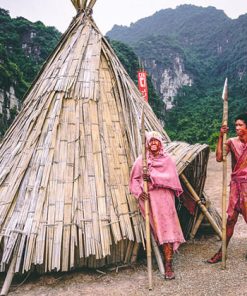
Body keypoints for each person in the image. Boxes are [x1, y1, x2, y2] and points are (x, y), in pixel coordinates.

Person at [129, 131, 185, 279]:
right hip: (150, 201)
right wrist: (139, 191)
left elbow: (172, 179)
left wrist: (152, 177)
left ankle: (168, 265)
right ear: (147, 144)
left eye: (156, 141)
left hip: (165, 199)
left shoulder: (167, 160)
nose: (153, 143)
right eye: (151, 141)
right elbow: (133, 179)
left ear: (160, 143)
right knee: (157, 228)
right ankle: (164, 258)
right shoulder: (141, 160)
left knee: (168, 229)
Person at [207, 113, 247, 263]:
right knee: (230, 220)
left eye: (240, 125)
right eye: (236, 125)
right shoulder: (231, 142)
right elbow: (218, 158)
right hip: (236, 186)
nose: (237, 128)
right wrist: (220, 136)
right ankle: (221, 252)